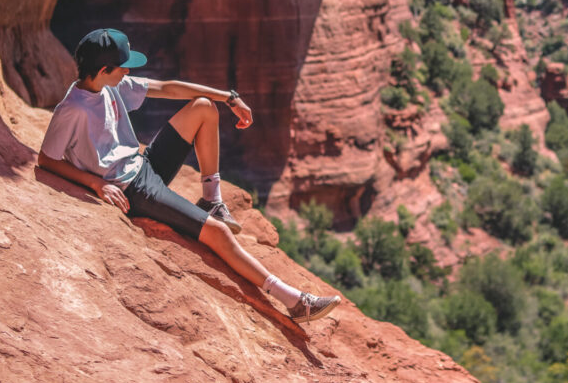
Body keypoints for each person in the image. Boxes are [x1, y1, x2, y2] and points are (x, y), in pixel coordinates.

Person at [36, 28, 340, 324]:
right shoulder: (72, 110)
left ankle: (213, 200)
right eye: (124, 67)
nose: (127, 72)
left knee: (204, 109)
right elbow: (46, 159)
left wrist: (228, 98)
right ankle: (295, 302)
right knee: (218, 234)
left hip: (143, 165)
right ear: (104, 69)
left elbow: (167, 88)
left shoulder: (109, 85)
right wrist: (96, 183)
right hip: (133, 190)